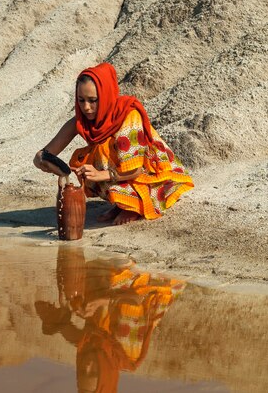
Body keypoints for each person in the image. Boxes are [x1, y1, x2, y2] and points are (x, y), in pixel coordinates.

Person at [34, 62, 193, 225]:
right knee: (89, 162)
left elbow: (135, 169)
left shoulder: (128, 115)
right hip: (120, 172)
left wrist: (100, 175)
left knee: (101, 160)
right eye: (81, 100)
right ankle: (120, 203)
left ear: (106, 95)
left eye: (93, 100)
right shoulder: (82, 121)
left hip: (151, 176)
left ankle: (132, 206)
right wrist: (47, 163)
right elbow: (43, 154)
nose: (86, 108)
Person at [35, 246, 185, 393]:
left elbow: (59, 324)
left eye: (82, 371)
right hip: (152, 290)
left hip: (117, 290)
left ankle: (117, 270)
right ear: (106, 377)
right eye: (93, 372)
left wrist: (63, 308)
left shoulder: (89, 349)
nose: (87, 366)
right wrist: (101, 301)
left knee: (79, 279)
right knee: (107, 283)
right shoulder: (127, 354)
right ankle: (126, 269)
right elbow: (137, 301)